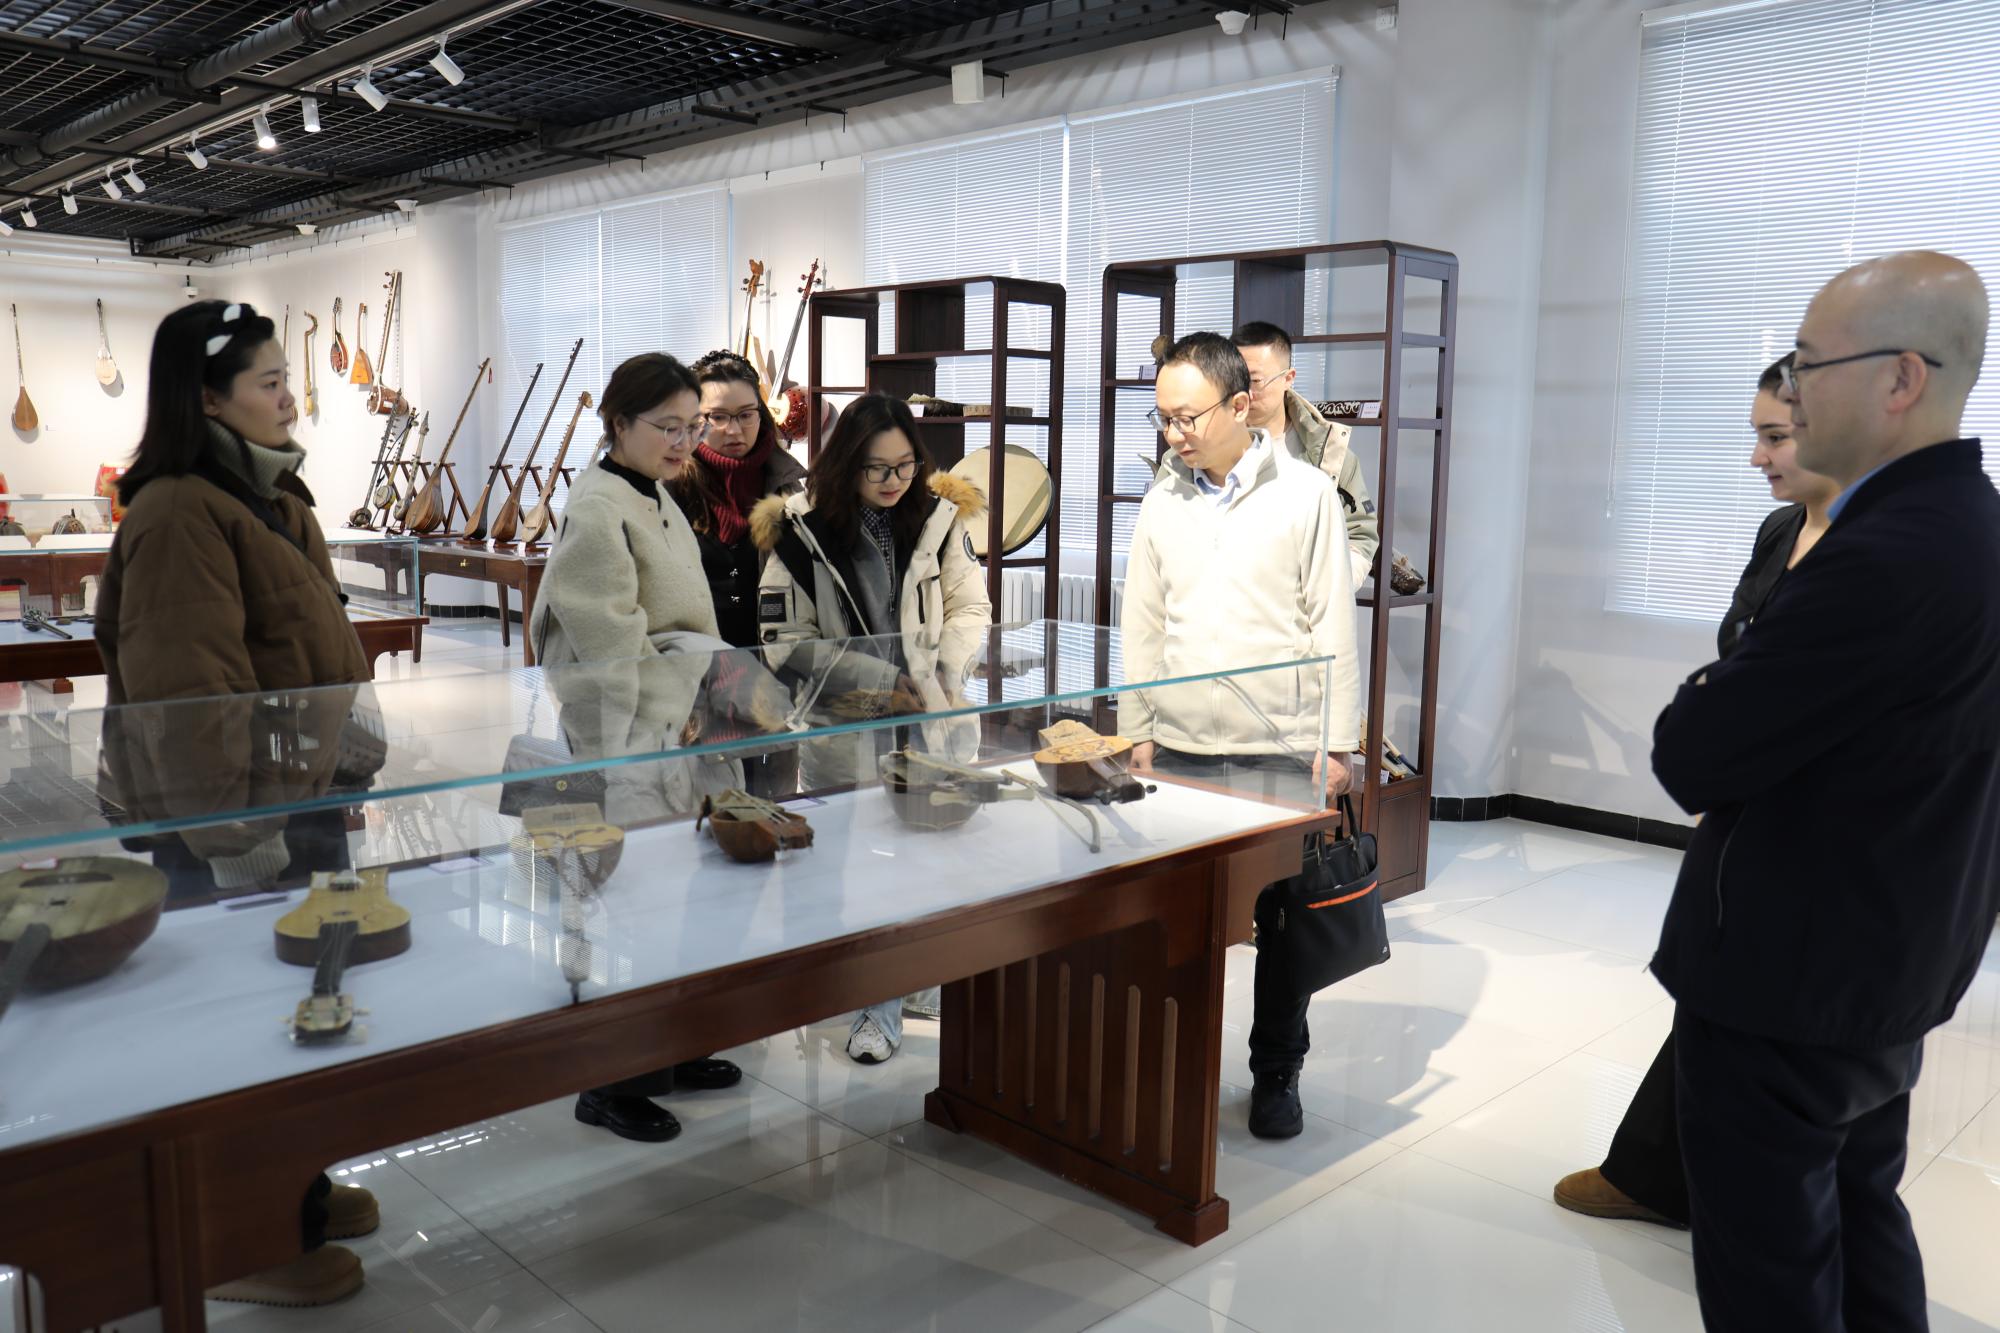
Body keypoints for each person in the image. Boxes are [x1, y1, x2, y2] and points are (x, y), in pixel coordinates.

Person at [1650, 251, 2000, 1332]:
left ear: (1900, 377)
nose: (1792, 393)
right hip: (1890, 954)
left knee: (1771, 1268)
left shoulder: (1881, 554)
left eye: (1808, 364)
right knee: (1856, 1204)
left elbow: (1692, 751)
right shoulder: (1971, 522)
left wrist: (1709, 687)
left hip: (1792, 980)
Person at [94, 301, 377, 1307]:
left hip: (295, 803)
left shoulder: (271, 497)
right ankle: (238, 1241)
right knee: (237, 1027)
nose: (289, 398)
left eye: (286, 379)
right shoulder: (180, 512)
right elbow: (188, 699)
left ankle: (294, 1188)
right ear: (208, 399)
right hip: (236, 827)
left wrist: (345, 758)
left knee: (301, 1008)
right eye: (269, 382)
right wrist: (234, 841)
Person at [1554, 356, 1840, 1230]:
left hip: (1820, 828)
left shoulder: (1880, 554)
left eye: (1774, 437)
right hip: (1745, 811)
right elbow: (1741, 659)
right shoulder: (1780, 529)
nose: (1757, 457)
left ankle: (1705, 1188)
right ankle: (1660, 1173)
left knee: (1762, 1012)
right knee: (1716, 994)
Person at [1118, 332, 1363, 1140]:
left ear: (1238, 404)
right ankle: (1171, 1068)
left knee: (1284, 925)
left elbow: (1333, 625)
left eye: (1187, 416)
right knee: (1175, 920)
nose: (1174, 433)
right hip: (1181, 744)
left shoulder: (1307, 494)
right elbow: (1142, 623)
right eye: (1163, 418)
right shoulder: (1163, 501)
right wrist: (1138, 728)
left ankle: (1276, 1073)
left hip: (1279, 743)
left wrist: (1338, 743)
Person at [529, 352, 747, 1144]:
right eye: (668, 427)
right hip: (623, 737)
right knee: (625, 906)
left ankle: (671, 1046)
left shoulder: (652, 491)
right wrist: (680, 698)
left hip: (671, 728)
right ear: (618, 423)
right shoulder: (598, 506)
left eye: (693, 426)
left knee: (678, 897)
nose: (686, 442)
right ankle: (611, 1080)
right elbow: (609, 647)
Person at [750, 392, 992, 1065]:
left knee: (929, 860)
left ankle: (916, 981)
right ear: (845, 465)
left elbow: (970, 606)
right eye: (876, 469)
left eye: (905, 465)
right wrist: (881, 681)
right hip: (848, 728)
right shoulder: (799, 531)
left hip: (931, 719)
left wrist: (941, 672)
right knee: (859, 869)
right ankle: (873, 1002)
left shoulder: (939, 516)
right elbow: (785, 640)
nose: (893, 481)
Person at [1231, 322, 1380, 589]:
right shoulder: (1201, 446)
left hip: (1300, 607)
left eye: (1254, 381)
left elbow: (1359, 536)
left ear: (1288, 378)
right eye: (1234, 379)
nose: (1244, 392)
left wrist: (1327, 589)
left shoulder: (1329, 454)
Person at [674, 351, 808, 649]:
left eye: (746, 415)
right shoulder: (667, 489)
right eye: (718, 417)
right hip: (690, 662)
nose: (734, 430)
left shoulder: (788, 487)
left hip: (773, 659)